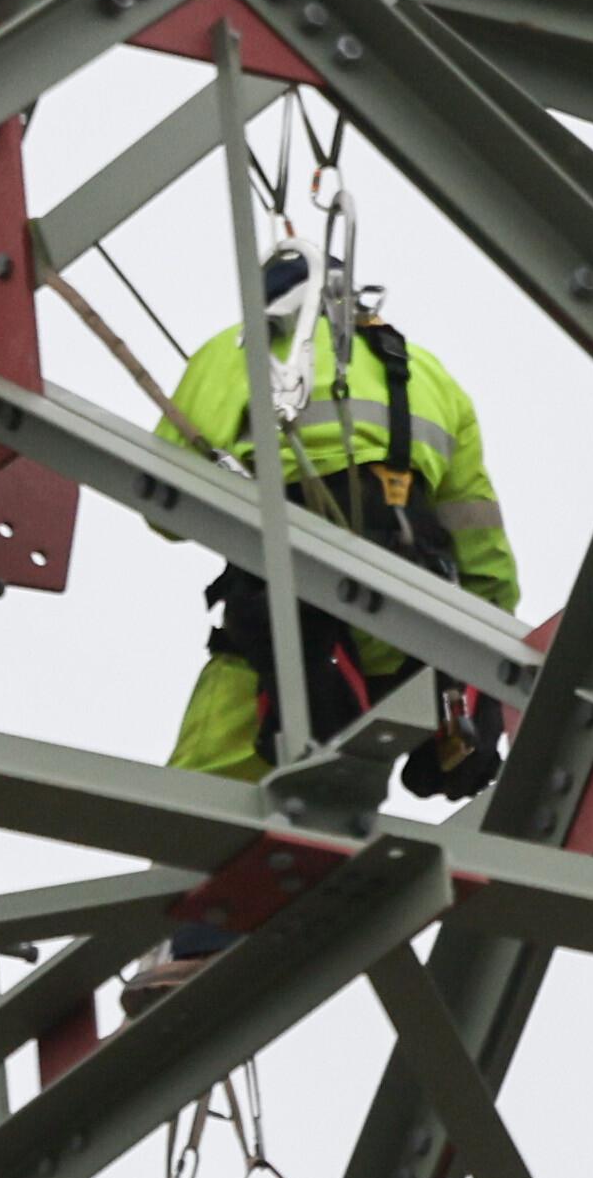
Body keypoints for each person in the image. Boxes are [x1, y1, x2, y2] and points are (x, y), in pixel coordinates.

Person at [155, 248, 517, 806]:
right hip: (414, 630)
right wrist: (488, 653)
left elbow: (163, 510)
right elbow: (481, 546)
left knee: (202, 802)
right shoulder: (427, 374)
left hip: (290, 622)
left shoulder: (238, 353)